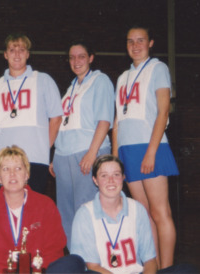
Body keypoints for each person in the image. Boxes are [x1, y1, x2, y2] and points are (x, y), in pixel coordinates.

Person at [0, 146, 85, 274]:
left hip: (39, 270)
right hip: (0, 271)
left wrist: (35, 268)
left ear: (26, 175)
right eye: (5, 169)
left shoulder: (46, 205)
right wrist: (10, 269)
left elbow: (55, 249)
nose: (12, 174)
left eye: (18, 168)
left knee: (74, 261)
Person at [112, 25, 179, 269]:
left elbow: (163, 111)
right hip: (128, 151)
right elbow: (117, 120)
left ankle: (168, 268)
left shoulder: (158, 68)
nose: (135, 45)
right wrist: (115, 156)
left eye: (141, 40)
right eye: (131, 41)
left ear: (150, 43)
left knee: (161, 213)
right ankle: (154, 267)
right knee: (145, 215)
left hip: (151, 147)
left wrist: (151, 152)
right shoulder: (122, 78)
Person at [71, 155, 196, 274]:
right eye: (104, 176)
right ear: (95, 180)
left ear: (123, 177)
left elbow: (150, 261)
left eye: (116, 174)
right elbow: (92, 266)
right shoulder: (85, 214)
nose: (111, 180)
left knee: (188, 270)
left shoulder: (137, 209)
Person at [50, 40, 114, 250]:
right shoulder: (70, 88)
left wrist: (92, 153)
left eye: (81, 56)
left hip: (87, 154)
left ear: (91, 58)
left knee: (86, 210)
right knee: (66, 213)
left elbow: (104, 120)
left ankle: (92, 263)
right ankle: (75, 262)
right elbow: (62, 124)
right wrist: (55, 156)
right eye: (72, 57)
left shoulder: (100, 80)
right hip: (64, 156)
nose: (76, 61)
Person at [0, 33, 63, 194]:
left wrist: (44, 147)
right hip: (0, 159)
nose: (17, 54)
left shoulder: (43, 80)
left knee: (32, 211)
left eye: (21, 50)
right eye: (12, 50)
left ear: (28, 54)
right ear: (5, 54)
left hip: (34, 158)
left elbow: (56, 119)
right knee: (2, 210)